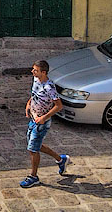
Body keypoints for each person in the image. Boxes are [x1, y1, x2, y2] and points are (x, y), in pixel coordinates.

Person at [20, 59, 70, 188]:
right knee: (37, 146)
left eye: (35, 70)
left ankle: (33, 176)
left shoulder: (49, 87)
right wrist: (28, 105)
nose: (32, 72)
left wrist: (44, 117)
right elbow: (34, 94)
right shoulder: (36, 80)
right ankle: (61, 159)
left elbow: (59, 106)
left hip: (41, 123)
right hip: (33, 119)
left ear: (43, 72)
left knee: (32, 149)